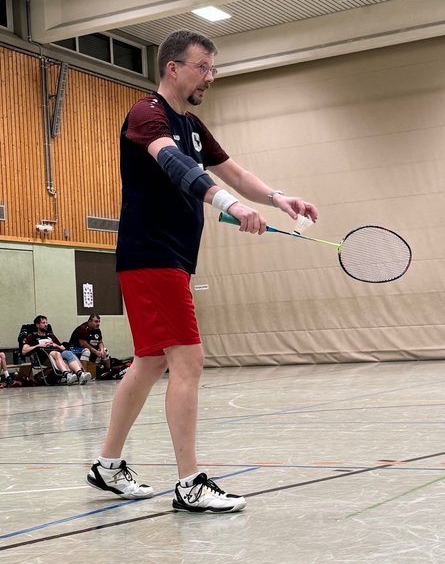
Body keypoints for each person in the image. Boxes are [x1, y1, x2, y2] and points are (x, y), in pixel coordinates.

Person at [86, 29, 318, 513]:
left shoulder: (191, 124)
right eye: (203, 68)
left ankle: (107, 465)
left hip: (168, 259)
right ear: (173, 68)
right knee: (188, 361)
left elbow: (233, 171)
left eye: (213, 68)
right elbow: (177, 166)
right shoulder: (147, 114)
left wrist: (277, 198)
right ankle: (190, 483)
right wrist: (229, 205)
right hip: (152, 256)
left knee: (150, 362)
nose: (210, 77)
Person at [22, 316, 92, 385]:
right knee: (56, 353)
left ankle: (80, 374)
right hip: (44, 357)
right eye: (43, 323)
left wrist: (55, 345)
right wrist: (38, 345)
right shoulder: (32, 337)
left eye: (46, 322)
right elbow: (24, 351)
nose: (46, 324)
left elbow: (63, 348)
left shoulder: (50, 336)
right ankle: (67, 375)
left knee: (68, 353)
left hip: (57, 354)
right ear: (37, 325)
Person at [69, 314, 113, 379]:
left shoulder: (97, 330)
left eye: (99, 321)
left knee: (105, 351)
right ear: (89, 322)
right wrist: (95, 351)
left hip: (90, 350)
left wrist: (101, 350)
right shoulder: (83, 329)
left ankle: (108, 371)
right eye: (96, 321)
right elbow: (83, 344)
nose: (98, 324)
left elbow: (100, 342)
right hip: (75, 350)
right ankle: (83, 374)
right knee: (86, 351)